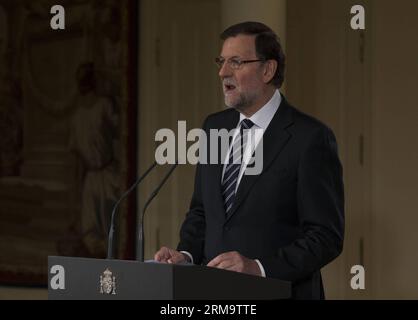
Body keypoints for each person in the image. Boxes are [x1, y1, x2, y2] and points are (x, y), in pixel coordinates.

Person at [154, 21, 344, 299]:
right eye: (221, 61)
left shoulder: (310, 137)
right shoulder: (214, 127)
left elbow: (326, 236)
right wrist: (186, 255)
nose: (222, 72)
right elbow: (202, 212)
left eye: (236, 62)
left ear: (268, 70)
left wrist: (259, 267)